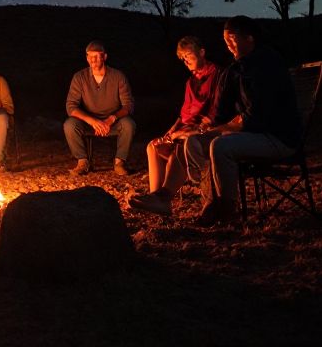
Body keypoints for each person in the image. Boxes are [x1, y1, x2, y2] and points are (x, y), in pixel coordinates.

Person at [184, 15, 303, 226]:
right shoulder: (238, 68)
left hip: (277, 137)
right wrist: (214, 125)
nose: (228, 45)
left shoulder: (267, 63)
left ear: (250, 38)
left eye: (232, 39)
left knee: (220, 146)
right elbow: (223, 113)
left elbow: (256, 116)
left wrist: (227, 128)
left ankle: (227, 211)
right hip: (252, 132)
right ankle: (211, 204)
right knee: (194, 141)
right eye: (225, 40)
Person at [129, 36, 225, 216]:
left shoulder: (218, 75)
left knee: (181, 144)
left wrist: (184, 132)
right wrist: (171, 131)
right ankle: (155, 198)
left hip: (205, 132)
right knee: (153, 146)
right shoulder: (191, 82)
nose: (186, 60)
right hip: (186, 129)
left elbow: (215, 114)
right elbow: (183, 115)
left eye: (189, 55)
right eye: (183, 58)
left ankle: (164, 197)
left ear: (202, 52)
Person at [64, 40, 136, 176]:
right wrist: (92, 121)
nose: (93, 60)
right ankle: (82, 162)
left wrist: (112, 119)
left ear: (104, 57)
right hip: (89, 122)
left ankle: (119, 162)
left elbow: (128, 105)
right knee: (70, 124)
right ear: (86, 58)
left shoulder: (118, 76)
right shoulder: (79, 77)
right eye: (90, 56)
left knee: (129, 124)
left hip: (112, 122)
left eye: (97, 56)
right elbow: (71, 106)